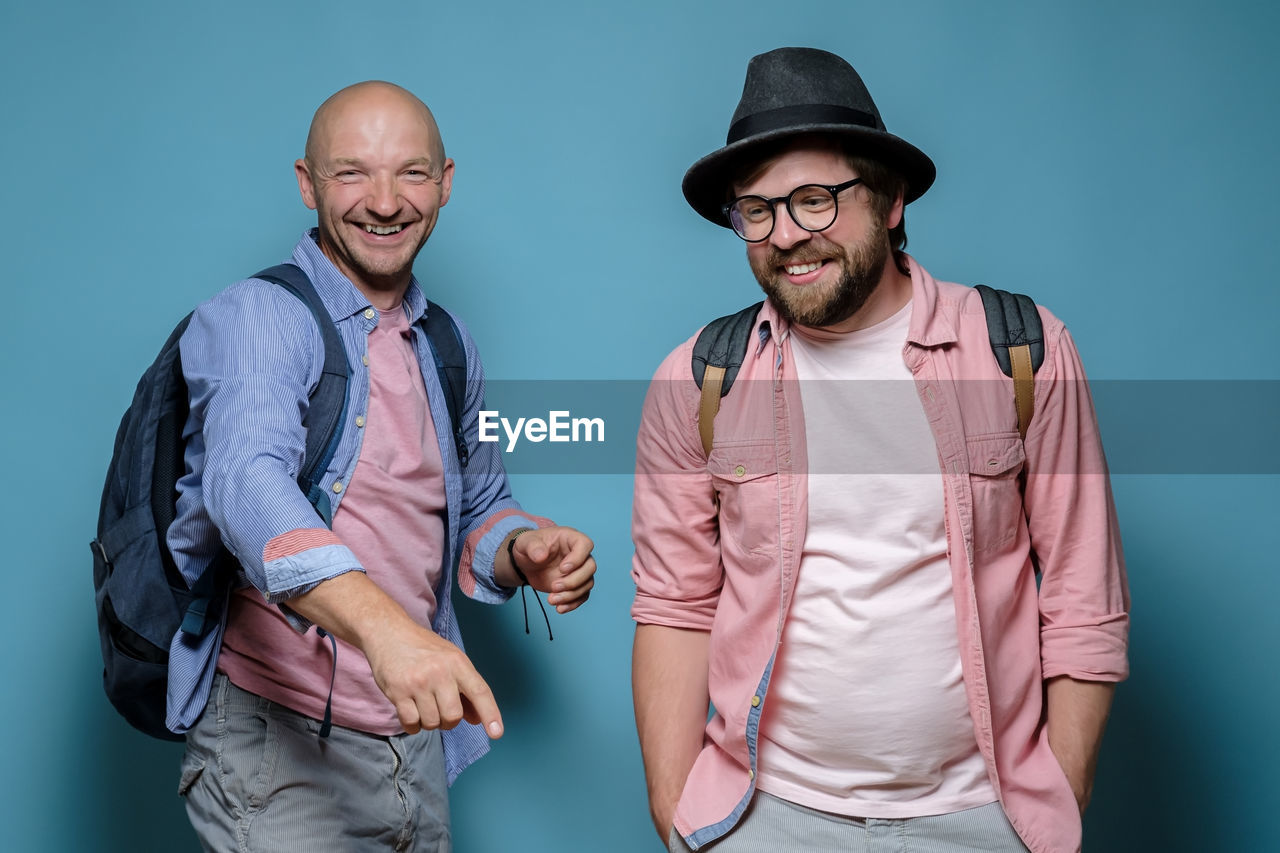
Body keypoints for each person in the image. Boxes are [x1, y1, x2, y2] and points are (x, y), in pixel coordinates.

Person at [631, 48, 1128, 853]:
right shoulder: (698, 380)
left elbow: (1083, 591)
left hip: (985, 817)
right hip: (763, 817)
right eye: (755, 210)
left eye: (816, 200)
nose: (786, 234)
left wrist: (1052, 801)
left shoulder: (1022, 351)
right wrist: (676, 811)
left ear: (892, 199)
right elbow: (675, 606)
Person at [167, 81, 596, 852]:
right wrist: (388, 631)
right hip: (280, 746)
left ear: (446, 182)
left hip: (414, 741)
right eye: (353, 172)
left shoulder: (447, 340)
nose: (386, 200)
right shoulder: (256, 318)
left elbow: (479, 504)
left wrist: (521, 547)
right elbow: (243, 483)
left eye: (411, 173)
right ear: (307, 183)